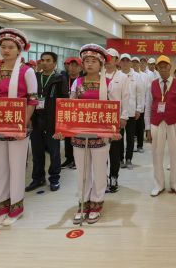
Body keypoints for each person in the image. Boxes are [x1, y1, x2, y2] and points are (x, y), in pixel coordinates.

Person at [0, 28, 37, 226]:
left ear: (19, 50)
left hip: (18, 125)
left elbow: (32, 101)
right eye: (3, 47)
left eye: (10, 47)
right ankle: (1, 207)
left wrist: (21, 124)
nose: (6, 51)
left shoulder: (27, 71)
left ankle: (16, 208)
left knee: (16, 168)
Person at [65, 44, 114, 224]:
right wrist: (67, 129)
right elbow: (70, 106)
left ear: (101, 64)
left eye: (94, 61)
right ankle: (83, 203)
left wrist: (112, 130)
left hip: (100, 133)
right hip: (80, 132)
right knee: (82, 171)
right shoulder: (77, 83)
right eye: (87, 61)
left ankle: (97, 203)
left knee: (99, 170)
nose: (90, 64)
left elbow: (113, 108)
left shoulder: (108, 83)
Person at [144, 55, 176, 196]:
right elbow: (148, 107)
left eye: (165, 66)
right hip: (157, 122)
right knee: (157, 154)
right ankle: (159, 184)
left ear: (170, 67)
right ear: (157, 68)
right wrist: (147, 128)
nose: (163, 68)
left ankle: (175, 183)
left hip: (174, 123)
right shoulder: (152, 84)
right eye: (160, 66)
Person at [26, 51, 63, 192]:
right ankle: (38, 178)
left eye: (48, 60)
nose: (45, 63)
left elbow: (63, 101)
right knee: (37, 151)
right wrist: (29, 118)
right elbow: (29, 97)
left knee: (54, 152)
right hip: (36, 119)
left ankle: (54, 178)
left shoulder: (59, 79)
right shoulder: (35, 77)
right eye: (43, 60)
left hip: (52, 121)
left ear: (54, 63)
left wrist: (60, 124)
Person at [104, 48, 132, 193]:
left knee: (114, 150)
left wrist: (124, 116)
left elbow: (126, 97)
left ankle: (114, 177)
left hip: (116, 118)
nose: (108, 61)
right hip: (100, 118)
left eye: (111, 58)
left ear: (117, 60)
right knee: (101, 149)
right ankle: (102, 178)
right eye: (106, 58)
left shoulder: (123, 77)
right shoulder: (99, 74)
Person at [119, 53, 145, 169]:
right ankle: (120, 158)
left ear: (130, 63)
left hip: (131, 111)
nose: (125, 63)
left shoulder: (136, 76)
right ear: (120, 63)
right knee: (119, 137)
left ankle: (129, 158)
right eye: (123, 61)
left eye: (127, 61)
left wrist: (139, 109)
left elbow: (140, 94)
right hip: (119, 112)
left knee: (130, 137)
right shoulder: (117, 75)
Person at [61, 57, 82, 169]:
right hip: (66, 111)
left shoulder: (82, 80)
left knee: (76, 136)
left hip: (78, 113)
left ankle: (76, 159)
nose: (72, 68)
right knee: (67, 136)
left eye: (75, 66)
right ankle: (68, 158)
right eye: (70, 65)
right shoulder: (63, 79)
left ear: (80, 68)